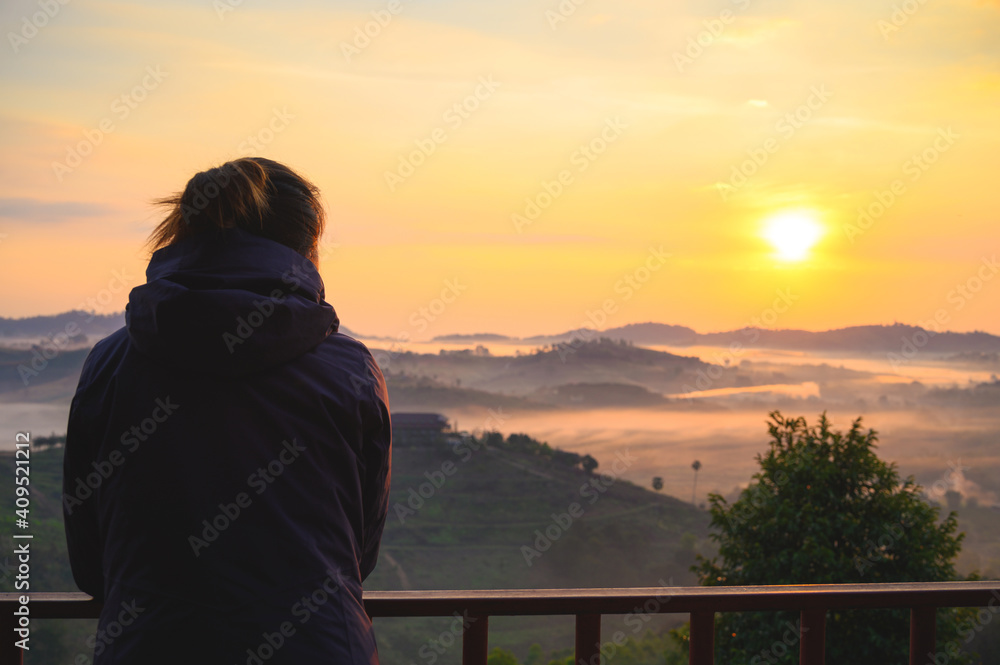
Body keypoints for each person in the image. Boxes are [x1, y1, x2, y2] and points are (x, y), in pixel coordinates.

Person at [62, 157, 392, 664]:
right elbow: (360, 550)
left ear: (183, 233)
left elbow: (90, 561)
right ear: (307, 247)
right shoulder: (349, 369)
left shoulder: (110, 364)